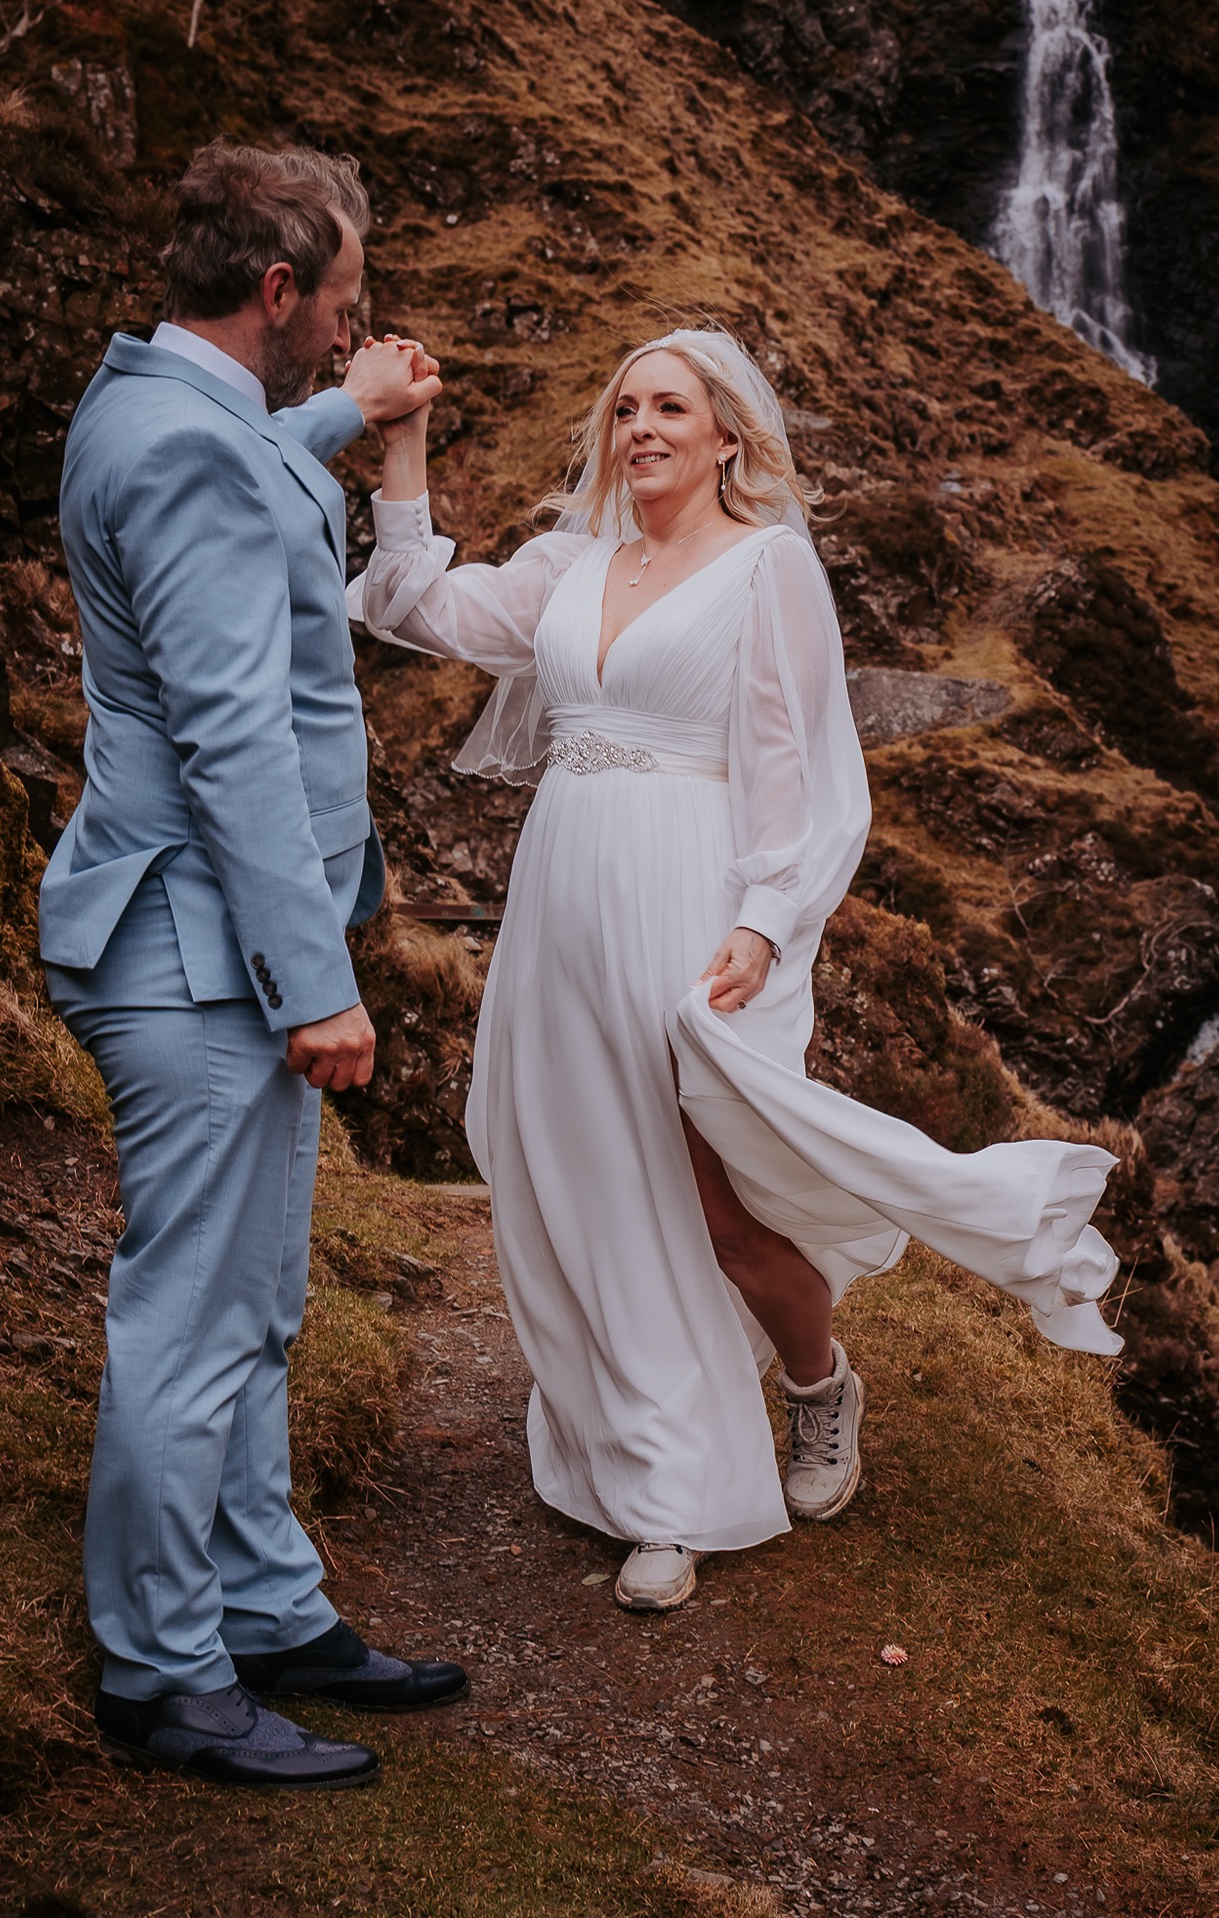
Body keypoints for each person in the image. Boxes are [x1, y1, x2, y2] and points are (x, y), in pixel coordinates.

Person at [349, 326, 1123, 1614]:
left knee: (719, 1201)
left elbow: (807, 769)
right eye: (626, 408)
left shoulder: (768, 570)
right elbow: (417, 601)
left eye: (670, 408)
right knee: (588, 1178)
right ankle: (658, 1479)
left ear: (726, 438)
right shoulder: (572, 563)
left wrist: (767, 923)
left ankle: (818, 1392)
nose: (642, 426)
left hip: (694, 900)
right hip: (561, 900)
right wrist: (405, 442)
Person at [40, 139, 467, 1788]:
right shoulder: (189, 457)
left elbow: (234, 461)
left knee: (256, 1304)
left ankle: (266, 1609)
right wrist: (319, 984)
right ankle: (163, 1673)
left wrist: (345, 412)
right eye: (339, 310)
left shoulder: (157, 404)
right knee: (193, 1321)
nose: (346, 325)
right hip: (198, 951)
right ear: (277, 291)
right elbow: (231, 744)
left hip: (195, 937)